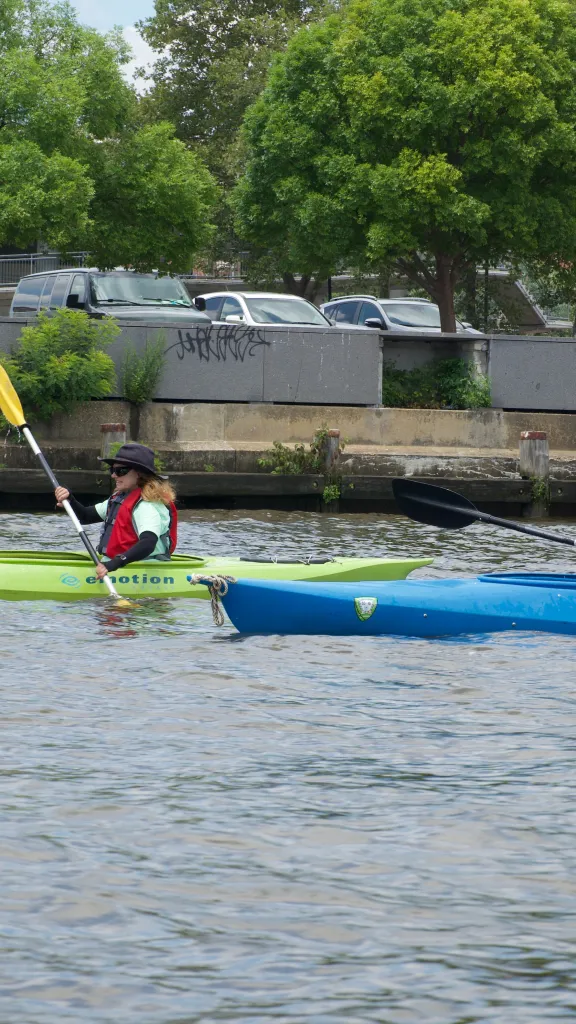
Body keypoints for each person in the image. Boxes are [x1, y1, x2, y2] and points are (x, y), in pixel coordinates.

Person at [54, 443, 177, 581]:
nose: (113, 475)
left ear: (139, 474)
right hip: (121, 564)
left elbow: (148, 542)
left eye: (120, 471)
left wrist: (113, 564)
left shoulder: (146, 506)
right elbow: (85, 516)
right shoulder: (119, 499)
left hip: (143, 569)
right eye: (112, 470)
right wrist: (70, 500)